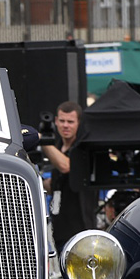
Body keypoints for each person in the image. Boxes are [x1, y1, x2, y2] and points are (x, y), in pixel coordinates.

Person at [41, 100, 97, 250]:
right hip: (59, 227)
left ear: (79, 123)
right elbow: (58, 183)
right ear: (56, 122)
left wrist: (43, 141)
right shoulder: (59, 146)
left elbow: (66, 166)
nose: (66, 125)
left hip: (80, 229)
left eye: (70, 122)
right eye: (62, 121)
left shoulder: (84, 148)